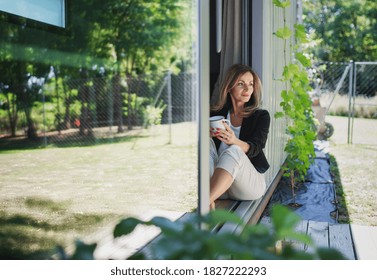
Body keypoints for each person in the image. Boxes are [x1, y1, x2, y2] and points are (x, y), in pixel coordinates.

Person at [210, 64, 270, 210]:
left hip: (248, 185)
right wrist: (209, 136)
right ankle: (210, 196)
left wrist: (234, 141)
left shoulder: (261, 116)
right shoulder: (215, 115)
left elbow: (256, 148)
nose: (248, 89)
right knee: (203, 142)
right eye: (241, 84)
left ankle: (205, 201)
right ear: (229, 87)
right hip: (219, 186)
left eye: (251, 84)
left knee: (234, 150)